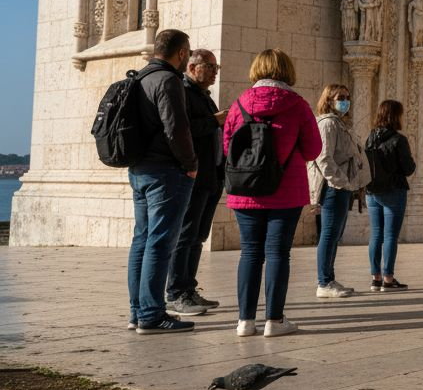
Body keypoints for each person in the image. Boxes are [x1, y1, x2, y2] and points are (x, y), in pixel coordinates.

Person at [223, 49, 322, 337]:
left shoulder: (238, 103)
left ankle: (245, 321)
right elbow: (314, 149)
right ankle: (275, 321)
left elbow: (228, 147)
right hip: (286, 190)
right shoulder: (298, 105)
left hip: (246, 190)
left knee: (250, 252)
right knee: (278, 253)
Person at [126, 29, 198, 334]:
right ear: (181, 53)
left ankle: (137, 311)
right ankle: (152, 315)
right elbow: (176, 129)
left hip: (139, 169)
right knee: (160, 242)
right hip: (164, 172)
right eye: (188, 53)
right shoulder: (168, 80)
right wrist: (191, 164)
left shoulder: (140, 77)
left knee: (142, 240)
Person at [165, 49, 226, 317]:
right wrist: (214, 121)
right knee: (186, 234)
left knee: (198, 236)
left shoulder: (203, 95)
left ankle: (189, 288)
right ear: (192, 67)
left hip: (210, 176)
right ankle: (176, 292)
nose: (215, 72)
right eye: (210, 67)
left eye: (216, 67)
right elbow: (183, 129)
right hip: (193, 175)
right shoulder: (184, 92)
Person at [308, 83, 371, 298]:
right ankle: (323, 281)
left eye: (347, 96)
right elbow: (323, 157)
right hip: (334, 187)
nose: (345, 100)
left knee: (334, 235)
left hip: (343, 186)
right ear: (329, 100)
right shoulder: (327, 124)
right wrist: (341, 182)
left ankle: (329, 278)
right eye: (340, 97)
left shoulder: (339, 124)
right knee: (328, 234)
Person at [365, 100, 416, 292]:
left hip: (372, 191)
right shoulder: (399, 140)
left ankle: (375, 278)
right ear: (396, 116)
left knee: (376, 234)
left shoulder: (371, 137)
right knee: (390, 236)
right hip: (393, 190)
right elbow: (408, 168)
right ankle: (388, 278)